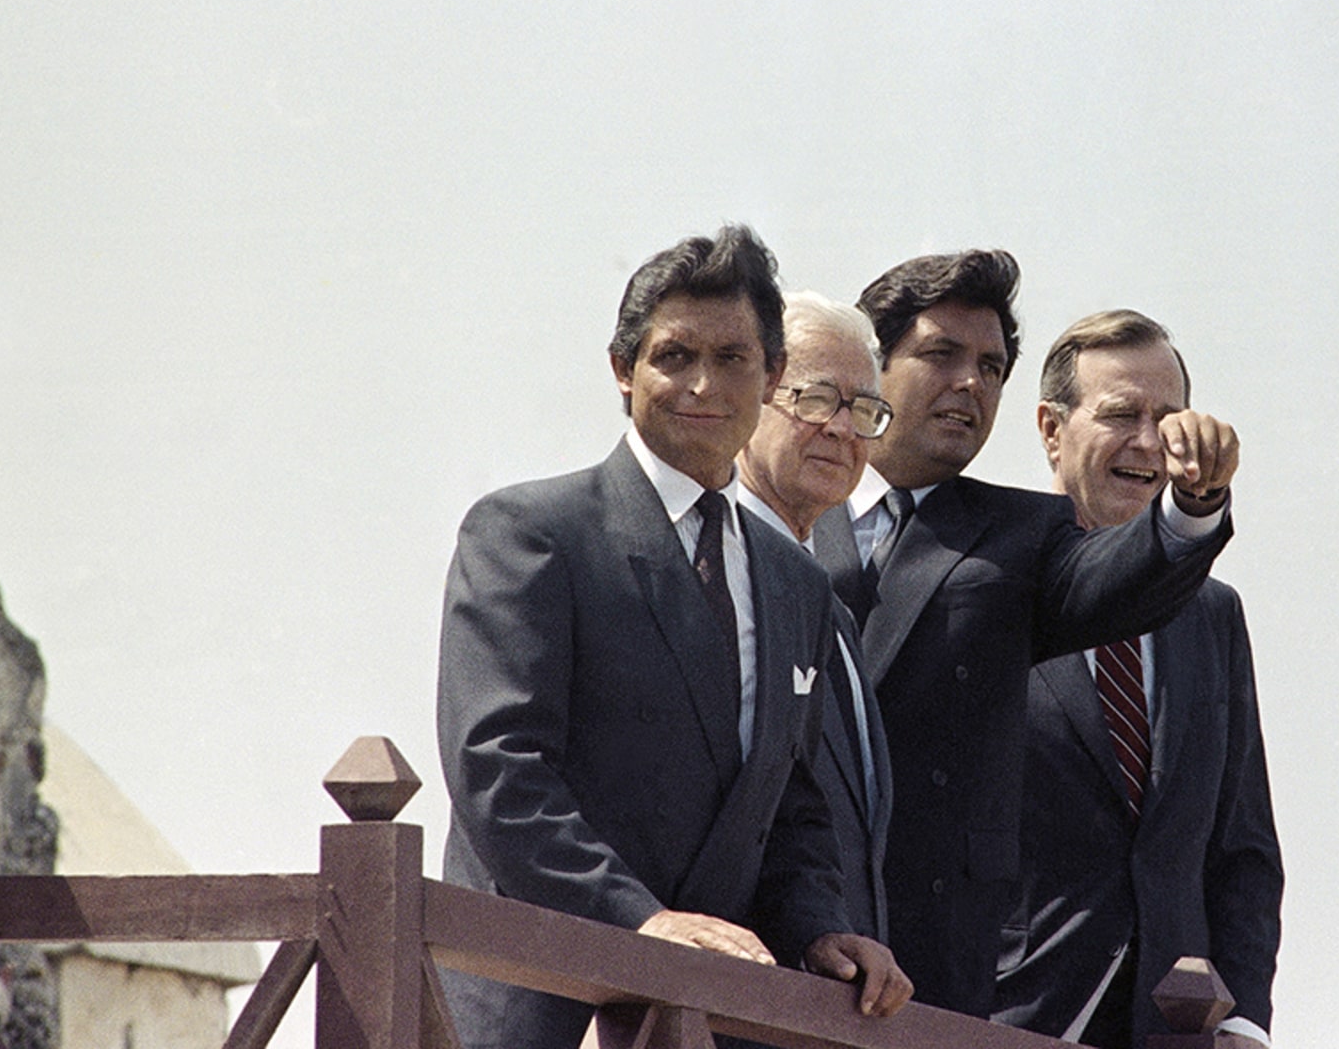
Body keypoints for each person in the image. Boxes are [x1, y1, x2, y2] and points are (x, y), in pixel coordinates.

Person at [435, 226, 909, 1049]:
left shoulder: (794, 582)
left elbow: (791, 808)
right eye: (674, 356)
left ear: (770, 377)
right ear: (624, 370)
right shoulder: (532, 533)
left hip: (700, 1019)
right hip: (536, 1001)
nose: (702, 385)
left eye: (732, 359)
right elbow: (500, 773)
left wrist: (819, 931)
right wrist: (642, 923)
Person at [810, 249, 1240, 1018]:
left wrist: (1193, 506)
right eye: (942, 355)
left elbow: (1117, 578)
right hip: (779, 943)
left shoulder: (1021, 538)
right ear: (873, 368)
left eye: (991, 367)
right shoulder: (782, 513)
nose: (970, 383)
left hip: (935, 985)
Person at [993, 310, 1283, 1048]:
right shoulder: (986, 585)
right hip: (1009, 1014)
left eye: (1169, 420)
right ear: (1051, 429)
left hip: (1172, 1024)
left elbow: (1241, 846)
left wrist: (1244, 1018)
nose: (1149, 443)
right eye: (1122, 415)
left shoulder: (1211, 614)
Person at [735, 291, 895, 942]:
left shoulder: (830, 605)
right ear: (754, 396)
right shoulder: (714, 576)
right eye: (816, 399)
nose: (842, 429)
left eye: (864, 411)